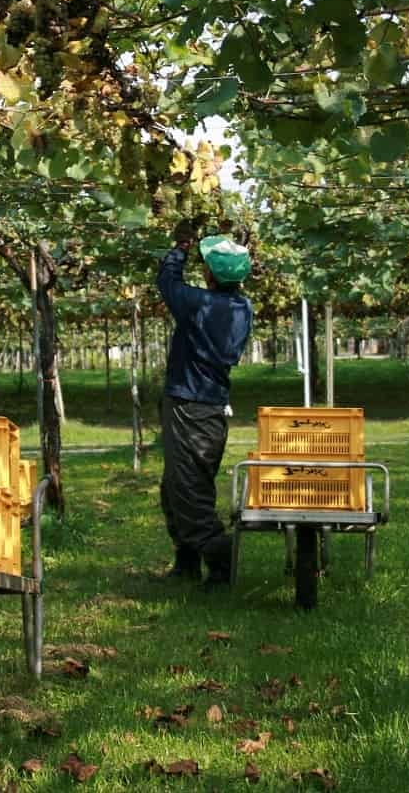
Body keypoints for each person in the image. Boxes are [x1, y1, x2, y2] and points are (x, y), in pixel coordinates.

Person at [157, 225, 253, 587]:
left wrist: (179, 251)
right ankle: (187, 560)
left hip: (190, 406)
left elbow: (167, 283)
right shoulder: (242, 307)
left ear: (211, 275)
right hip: (210, 408)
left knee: (188, 491)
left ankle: (219, 557)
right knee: (179, 486)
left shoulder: (200, 305)